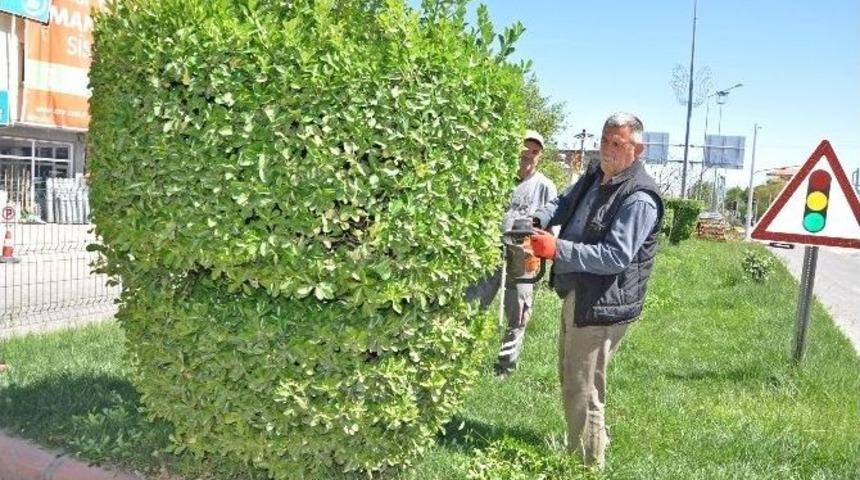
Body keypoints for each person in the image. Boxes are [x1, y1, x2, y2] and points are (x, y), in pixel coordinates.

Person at [528, 112, 663, 469]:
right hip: (581, 292)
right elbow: (564, 202)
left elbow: (616, 256)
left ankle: (585, 466)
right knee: (574, 374)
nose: (607, 149)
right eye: (604, 140)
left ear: (638, 148)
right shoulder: (595, 174)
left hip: (601, 302)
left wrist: (557, 249)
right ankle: (592, 442)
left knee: (583, 387)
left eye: (617, 143)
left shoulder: (639, 197)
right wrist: (540, 219)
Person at [466, 130, 558, 376]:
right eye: (524, 149)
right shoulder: (499, 179)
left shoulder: (545, 187)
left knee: (518, 315)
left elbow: (552, 230)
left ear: (540, 156)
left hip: (524, 260)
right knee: (472, 304)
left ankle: (505, 367)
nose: (528, 155)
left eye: (534, 152)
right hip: (489, 255)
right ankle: (462, 357)